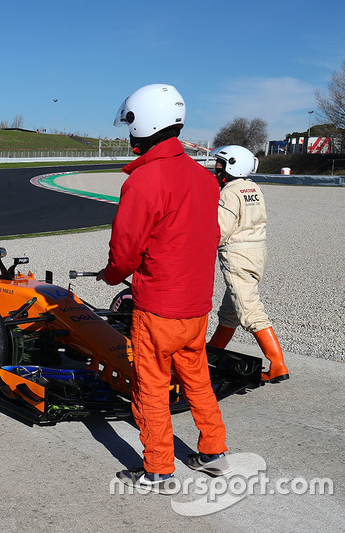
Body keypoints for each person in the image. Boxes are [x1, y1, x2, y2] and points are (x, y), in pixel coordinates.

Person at [97, 84, 229, 494]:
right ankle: (214, 451)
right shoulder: (205, 178)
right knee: (198, 379)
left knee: (150, 387)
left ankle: (158, 469)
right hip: (196, 305)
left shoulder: (145, 180)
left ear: (144, 124)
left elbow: (125, 249)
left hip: (159, 308)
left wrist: (111, 276)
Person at [208, 145, 289, 383]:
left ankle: (278, 365)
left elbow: (220, 230)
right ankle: (212, 351)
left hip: (237, 257)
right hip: (258, 254)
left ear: (232, 165)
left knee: (250, 311)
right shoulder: (254, 188)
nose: (217, 169)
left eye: (220, 165)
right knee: (231, 311)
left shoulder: (229, 192)